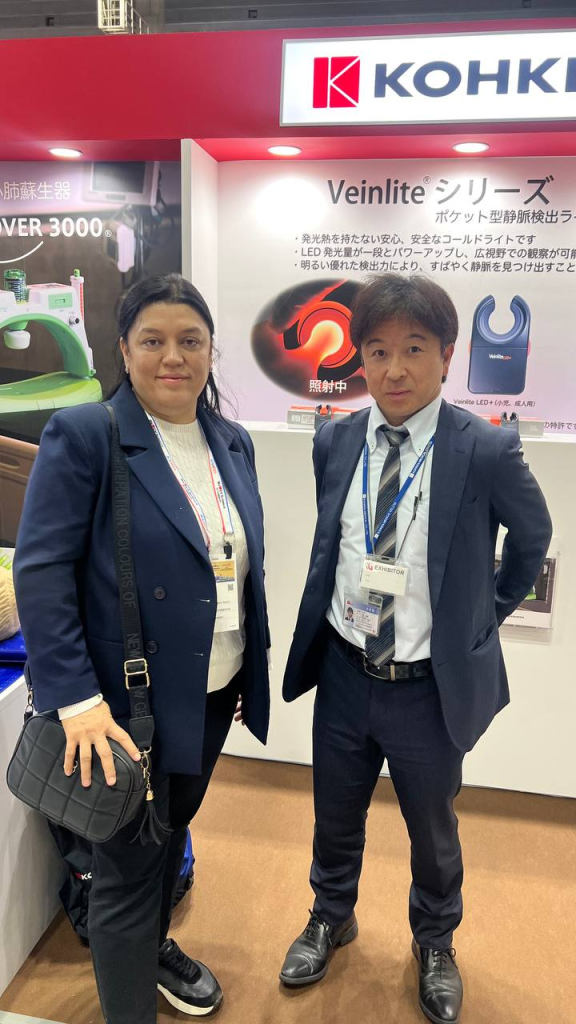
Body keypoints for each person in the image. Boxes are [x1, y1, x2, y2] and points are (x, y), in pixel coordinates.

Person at [279, 273, 552, 1024]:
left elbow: (532, 540)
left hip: (429, 686)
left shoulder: (484, 447)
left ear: (446, 355)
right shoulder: (336, 438)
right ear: (359, 359)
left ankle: (434, 941)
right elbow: (336, 543)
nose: (394, 369)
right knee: (334, 813)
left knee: (432, 830)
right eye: (377, 351)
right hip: (345, 669)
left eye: (414, 349)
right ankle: (330, 915)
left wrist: (482, 619)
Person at [14, 273, 270, 1024]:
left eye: (191, 340)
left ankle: (154, 950)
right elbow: (41, 570)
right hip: (122, 708)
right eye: (153, 340)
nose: (173, 356)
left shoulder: (231, 440)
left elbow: (232, 561)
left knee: (170, 833)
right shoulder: (87, 434)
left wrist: (243, 669)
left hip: (211, 691)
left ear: (211, 350)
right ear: (123, 350)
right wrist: (77, 701)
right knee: (126, 870)